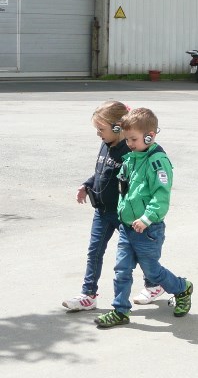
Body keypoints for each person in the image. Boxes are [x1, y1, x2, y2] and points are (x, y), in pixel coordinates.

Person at [94, 108, 193, 328]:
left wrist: (147, 218)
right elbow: (126, 190)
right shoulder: (131, 158)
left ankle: (182, 287)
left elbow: (161, 195)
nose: (129, 144)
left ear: (150, 135)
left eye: (134, 139)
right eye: (127, 139)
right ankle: (120, 310)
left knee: (152, 272)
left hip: (148, 230)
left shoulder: (157, 162)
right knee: (121, 269)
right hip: (128, 227)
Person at [62, 101, 162, 312]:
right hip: (102, 211)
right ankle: (88, 294)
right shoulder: (106, 145)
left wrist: (143, 214)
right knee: (94, 252)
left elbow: (139, 181)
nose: (99, 134)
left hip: (123, 214)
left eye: (101, 129)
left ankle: (154, 285)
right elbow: (102, 173)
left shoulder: (130, 150)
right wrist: (87, 185)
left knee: (138, 252)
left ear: (118, 128)